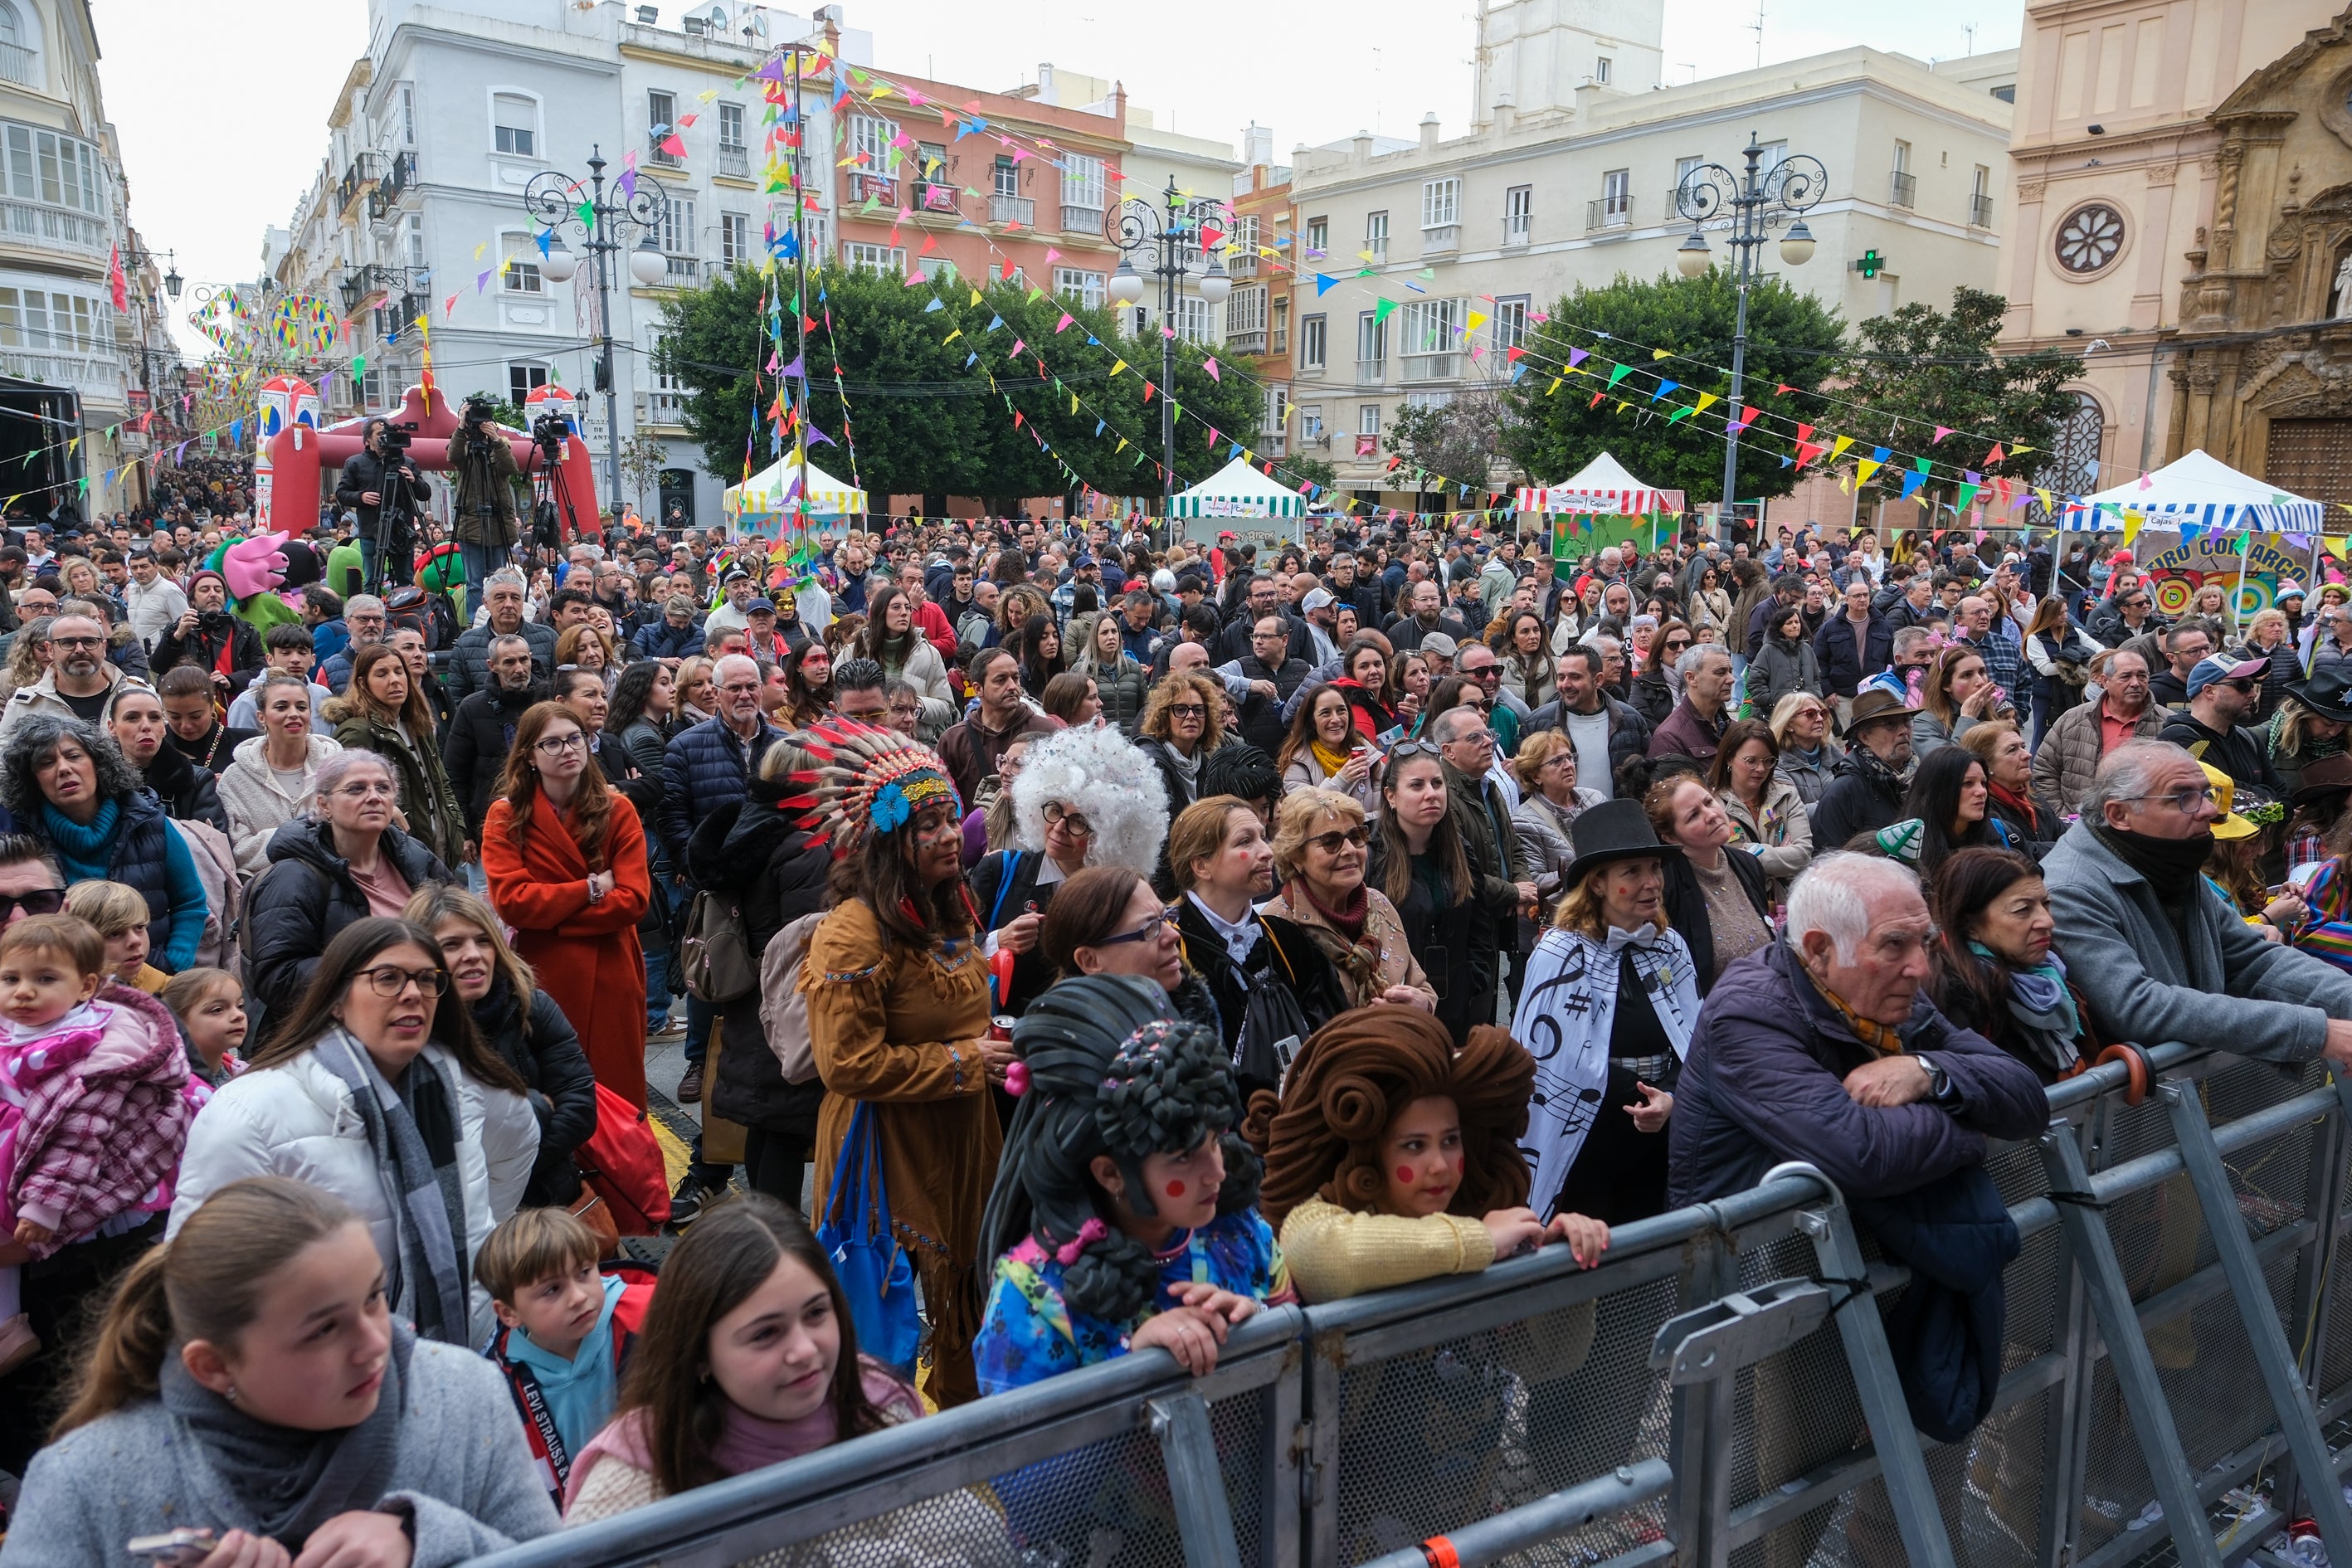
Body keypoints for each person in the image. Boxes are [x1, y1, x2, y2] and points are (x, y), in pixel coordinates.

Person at [5, 1176, 560, 1566]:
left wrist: (431, 1542)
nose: (379, 1343)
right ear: (214, 1365)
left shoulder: (465, 1396)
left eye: (373, 1298)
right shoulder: (85, 1481)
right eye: (322, 1330)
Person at [169, 918, 539, 1344]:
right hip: (320, 1372)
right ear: (337, 999)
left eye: (426, 979)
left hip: (462, 1352)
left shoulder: (460, 1085)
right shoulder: (248, 1112)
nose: (413, 994)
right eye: (388, 979)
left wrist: (480, 1241)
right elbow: (199, 1275)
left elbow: (518, 1142)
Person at [796, 722, 1006, 1408]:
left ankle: (967, 1427)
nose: (952, 834)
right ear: (891, 841)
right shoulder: (854, 931)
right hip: (883, 1152)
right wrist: (963, 1060)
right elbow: (847, 1065)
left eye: (952, 817)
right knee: (880, 1322)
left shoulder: (950, 904)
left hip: (963, 1136)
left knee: (970, 1293)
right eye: (930, 823)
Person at [1668, 852, 2052, 1206]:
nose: (1919, 968)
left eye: (1924, 941)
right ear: (1819, 950)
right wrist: (1979, 1122)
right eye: (1895, 944)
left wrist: (1927, 1072)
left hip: (1860, 1254)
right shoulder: (1746, 1015)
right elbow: (1865, 1155)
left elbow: (2028, 1095)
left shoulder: (1896, 990)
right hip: (1755, 1265)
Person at [974, 978, 1283, 1390]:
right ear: (1110, 1173)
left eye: (1215, 1140)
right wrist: (1132, 1368)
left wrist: (1261, 1331)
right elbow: (1017, 1449)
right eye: (1183, 1157)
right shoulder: (1032, 1297)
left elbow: (1308, 1381)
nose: (1217, 1172)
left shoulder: (1238, 1230)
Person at [561, 1192, 922, 1521]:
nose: (805, 1350)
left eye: (815, 1314)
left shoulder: (884, 1406)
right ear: (699, 1354)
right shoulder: (629, 1492)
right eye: (765, 1334)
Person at [1255, 1008, 1605, 1302]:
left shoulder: (1482, 1210)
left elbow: (1552, 1360)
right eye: (1414, 1145)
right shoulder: (1317, 1218)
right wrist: (1476, 1240)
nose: (1439, 1166)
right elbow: (1317, 1256)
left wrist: (1563, 1269)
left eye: (1451, 1141)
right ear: (1370, 1150)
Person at [2047, 740, 2352, 1066]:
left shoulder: (2166, 859)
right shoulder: (2070, 889)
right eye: (2183, 798)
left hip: (2183, 1089)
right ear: (2119, 814)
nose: (2210, 810)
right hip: (2124, 1107)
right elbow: (2138, 1007)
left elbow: (2250, 958)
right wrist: (2317, 1032)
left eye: (2206, 793)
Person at [0, 912, 193, 1375]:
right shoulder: (21, 1027)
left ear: (86, 987)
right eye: (10, 978)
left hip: (80, 1215)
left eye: (44, 979)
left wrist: (45, 1206)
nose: (23, 991)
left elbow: (78, 1137)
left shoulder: (96, 1050)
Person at [1512, 798, 1703, 1224]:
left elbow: (1694, 1037)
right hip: (1589, 1134)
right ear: (1597, 883)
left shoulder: (1669, 946)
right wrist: (1641, 1095)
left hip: (1665, 1129)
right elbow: (1552, 1058)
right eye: (1632, 872)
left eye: (1654, 868)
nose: (1651, 882)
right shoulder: (1561, 953)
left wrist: (1670, 1096)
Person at [482, 701, 651, 1110]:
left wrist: (554, 917)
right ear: (529, 756)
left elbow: (633, 900)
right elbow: (513, 903)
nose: (568, 750)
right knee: (556, 1094)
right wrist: (592, 889)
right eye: (552, 744)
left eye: (575, 739)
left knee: (618, 1095)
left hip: (612, 968)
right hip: (544, 974)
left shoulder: (618, 809)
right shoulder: (505, 816)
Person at [410, 882, 597, 1211]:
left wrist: (506, 1172)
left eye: (483, 941)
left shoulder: (531, 1004)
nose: (474, 954)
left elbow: (579, 1107)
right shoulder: (410, 1029)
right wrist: (537, 1109)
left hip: (547, 1199)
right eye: (452, 944)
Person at [970, 724, 1168, 1022]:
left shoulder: (1122, 896)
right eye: (1053, 810)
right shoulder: (999, 871)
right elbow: (944, 955)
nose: (1059, 828)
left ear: (1109, 833)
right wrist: (998, 940)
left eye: (1079, 821)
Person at [243, 748, 452, 1023]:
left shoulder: (414, 856)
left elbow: (461, 923)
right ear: (324, 804)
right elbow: (278, 977)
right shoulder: (293, 877)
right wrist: (375, 972)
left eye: (383, 788)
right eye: (356, 789)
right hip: (335, 1032)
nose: (374, 797)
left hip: (427, 1015)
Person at [475, 1205, 656, 1507]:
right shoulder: (499, 1388)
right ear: (509, 1313)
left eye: (584, 1272)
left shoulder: (650, 1316)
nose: (578, 1297)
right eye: (552, 1289)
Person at [0, 716, 206, 975]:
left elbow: (190, 902)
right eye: (47, 762)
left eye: (73, 756)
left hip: (152, 978)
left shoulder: (148, 821)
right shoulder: (20, 833)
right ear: (32, 778)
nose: (63, 769)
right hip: (64, 988)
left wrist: (172, 965)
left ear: (98, 763)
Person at [1169, 793, 1348, 1084]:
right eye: (1245, 842)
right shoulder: (1169, 953)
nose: (1266, 852)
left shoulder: (1286, 938)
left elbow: (1334, 1031)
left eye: (1263, 838)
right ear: (1201, 865)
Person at [1369, 742, 1524, 1046]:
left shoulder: (1459, 851)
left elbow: (1479, 923)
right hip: (1397, 1011)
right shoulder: (1372, 859)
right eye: (1416, 785)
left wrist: (1473, 980)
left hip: (1457, 1007)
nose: (1431, 794)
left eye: (1437, 783)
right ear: (1391, 796)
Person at [1263, 788, 1436, 1014]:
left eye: (1356, 837)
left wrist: (1423, 1004)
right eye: (1330, 841)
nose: (1349, 850)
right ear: (1296, 857)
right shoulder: (1277, 925)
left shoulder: (1379, 904)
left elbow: (1420, 985)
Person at [329, 641, 467, 871]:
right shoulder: (358, 731)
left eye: (398, 671)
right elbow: (343, 796)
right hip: (392, 853)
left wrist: (456, 826)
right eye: (382, 674)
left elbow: (441, 783)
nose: (394, 680)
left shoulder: (418, 724)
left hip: (438, 845)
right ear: (363, 683)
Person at [1648, 772, 1773, 994]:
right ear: (1671, 837)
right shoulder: (1665, 886)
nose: (1711, 815)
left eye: (1708, 802)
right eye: (1693, 815)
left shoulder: (1747, 864)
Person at [218, 673, 343, 874]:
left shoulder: (338, 768)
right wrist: (306, 836)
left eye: (301, 707)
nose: (294, 714)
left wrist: (275, 840)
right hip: (270, 890)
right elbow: (240, 851)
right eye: (281, 707)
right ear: (261, 717)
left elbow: (351, 832)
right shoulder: (235, 779)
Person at [2032, 646, 2160, 821]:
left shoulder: (2167, 723)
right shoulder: (2073, 719)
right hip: (2078, 826)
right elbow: (2044, 771)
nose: (2135, 683)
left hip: (2143, 828)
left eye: (2142, 676)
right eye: (2126, 676)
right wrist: (2062, 817)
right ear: (2105, 681)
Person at [446, 633, 544, 858]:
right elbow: (454, 774)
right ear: (493, 666)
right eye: (509, 662)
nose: (519, 668)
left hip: (545, 825)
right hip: (489, 830)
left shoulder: (548, 702)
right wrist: (464, 832)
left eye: (523, 660)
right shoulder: (472, 708)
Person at [2162, 651, 2286, 805]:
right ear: (2209, 691)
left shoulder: (2248, 739)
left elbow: (2283, 794)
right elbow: (2216, 795)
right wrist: (2264, 794)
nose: (2253, 693)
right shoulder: (2178, 739)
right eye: (2243, 686)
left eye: (2253, 684)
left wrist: (2256, 796)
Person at [937, 646, 1054, 805]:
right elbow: (944, 800)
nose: (1012, 686)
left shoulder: (1046, 732)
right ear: (978, 689)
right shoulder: (953, 740)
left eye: (1016, 678)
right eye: (1001, 680)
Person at [1809, 685, 1918, 850]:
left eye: (1906, 722)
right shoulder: (1844, 791)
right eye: (1890, 725)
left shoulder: (1923, 779)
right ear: (1865, 737)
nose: (1903, 731)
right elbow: (1826, 861)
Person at [338, 414, 436, 590]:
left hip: (402, 532)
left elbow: (425, 494)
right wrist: (361, 497)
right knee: (371, 581)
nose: (384, 437)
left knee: (405, 580)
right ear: (367, 439)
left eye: (386, 433)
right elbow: (342, 493)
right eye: (379, 434)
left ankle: (405, 614)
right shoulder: (355, 463)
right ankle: (371, 614)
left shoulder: (407, 462)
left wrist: (414, 480)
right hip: (372, 531)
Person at [447, 571, 558, 705]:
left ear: (523, 602)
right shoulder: (466, 644)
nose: (509, 604)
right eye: (500, 598)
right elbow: (457, 699)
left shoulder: (548, 638)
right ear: (486, 603)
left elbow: (559, 692)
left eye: (515, 598)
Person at [1278, 681, 1381, 811]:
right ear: (1312, 721)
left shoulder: (1367, 752)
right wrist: (1341, 781)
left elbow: (1385, 810)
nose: (1336, 719)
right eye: (1325, 713)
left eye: (1341, 710)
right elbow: (1305, 813)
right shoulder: (1298, 763)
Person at [1959, 719, 2053, 856]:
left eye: (2023, 746)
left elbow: (2068, 841)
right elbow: (2022, 853)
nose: (2027, 755)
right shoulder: (1981, 809)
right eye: (2012, 750)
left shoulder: (2034, 800)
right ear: (1986, 765)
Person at [61, 879, 169, 992]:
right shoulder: (65, 1003)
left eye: (139, 927)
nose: (135, 940)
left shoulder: (161, 986)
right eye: (114, 934)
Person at [1911, 642, 2012, 760]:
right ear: (1946, 685)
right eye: (1967, 675)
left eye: (1982, 672)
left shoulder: (1992, 715)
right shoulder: (1923, 723)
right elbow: (1947, 766)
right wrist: (1967, 719)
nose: (1980, 681)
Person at [158, 664, 258, 779]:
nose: (186, 726)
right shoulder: (154, 748)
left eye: (195, 716)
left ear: (212, 706)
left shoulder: (248, 744)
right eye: (175, 717)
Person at [159, 964, 249, 1086]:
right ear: (178, 1021)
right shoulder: (170, 1088)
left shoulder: (247, 1078)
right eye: (217, 1010)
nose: (238, 1015)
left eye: (240, 1006)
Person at [1648, 645, 1733, 765]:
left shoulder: (1731, 728)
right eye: (1720, 672)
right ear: (1691, 678)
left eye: (1730, 671)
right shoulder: (1669, 737)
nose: (1731, 679)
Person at [1746, 601, 1819, 721]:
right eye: (1789, 623)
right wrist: (1773, 700)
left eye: (1797, 622)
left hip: (1805, 713)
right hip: (1775, 715)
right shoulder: (1768, 650)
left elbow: (1816, 678)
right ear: (1780, 628)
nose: (1795, 626)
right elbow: (1754, 682)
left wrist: (1815, 697)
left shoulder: (1807, 650)